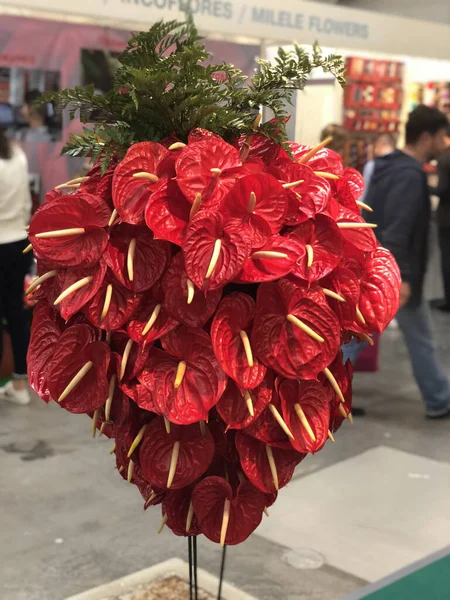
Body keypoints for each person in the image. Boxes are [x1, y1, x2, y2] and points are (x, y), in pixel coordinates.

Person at [344, 105, 450, 419]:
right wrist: (399, 277)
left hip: (381, 268)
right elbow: (399, 229)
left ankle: (438, 397)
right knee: (362, 337)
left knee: (374, 335)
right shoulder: (408, 174)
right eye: (443, 136)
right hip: (393, 273)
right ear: (427, 136)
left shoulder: (388, 166)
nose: (445, 143)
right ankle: (438, 398)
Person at [0, 127, 32, 405]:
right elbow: (25, 205)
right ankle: (20, 384)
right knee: (16, 315)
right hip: (18, 243)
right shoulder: (17, 156)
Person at [432, 126, 450, 311]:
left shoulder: (445, 159)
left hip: (446, 217)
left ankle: (448, 300)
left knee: (447, 259)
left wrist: (424, 186)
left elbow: (442, 189)